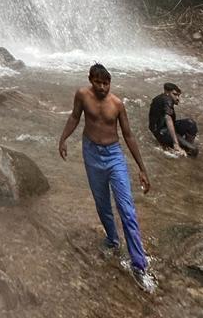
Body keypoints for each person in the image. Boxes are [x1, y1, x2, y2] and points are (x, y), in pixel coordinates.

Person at [58, 62, 155, 293]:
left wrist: (142, 168)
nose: (103, 87)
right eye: (98, 82)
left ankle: (139, 265)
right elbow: (74, 117)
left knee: (127, 209)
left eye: (106, 83)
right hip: (91, 152)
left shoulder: (117, 104)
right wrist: (62, 139)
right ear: (90, 80)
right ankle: (112, 240)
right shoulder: (82, 95)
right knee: (102, 204)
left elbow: (129, 135)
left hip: (113, 155)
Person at [149, 82, 199, 157]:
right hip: (161, 131)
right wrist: (176, 143)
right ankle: (181, 147)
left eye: (178, 95)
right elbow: (168, 118)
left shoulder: (163, 98)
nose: (177, 98)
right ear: (167, 92)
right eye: (175, 94)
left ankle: (186, 146)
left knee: (190, 123)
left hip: (164, 128)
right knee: (194, 150)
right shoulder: (167, 99)